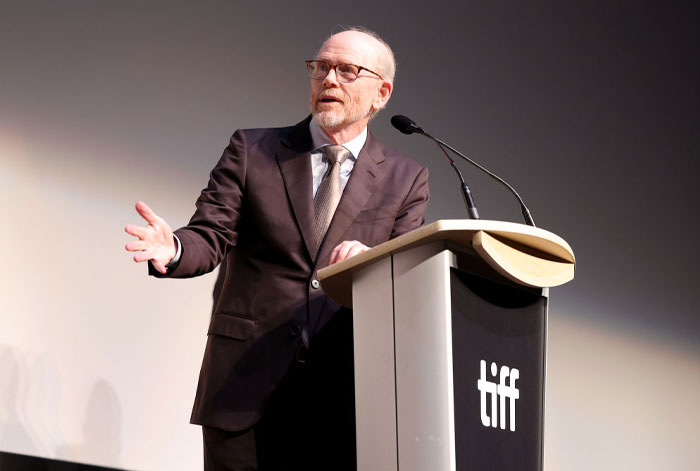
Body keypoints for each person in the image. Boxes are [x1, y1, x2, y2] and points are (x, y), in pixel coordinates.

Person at [125, 27, 429, 471]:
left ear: (381, 93)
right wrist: (172, 248)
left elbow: (404, 279)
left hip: (339, 393)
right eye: (321, 67)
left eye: (347, 70)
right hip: (245, 383)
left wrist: (371, 263)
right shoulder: (254, 150)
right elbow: (210, 233)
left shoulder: (406, 177)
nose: (329, 79)